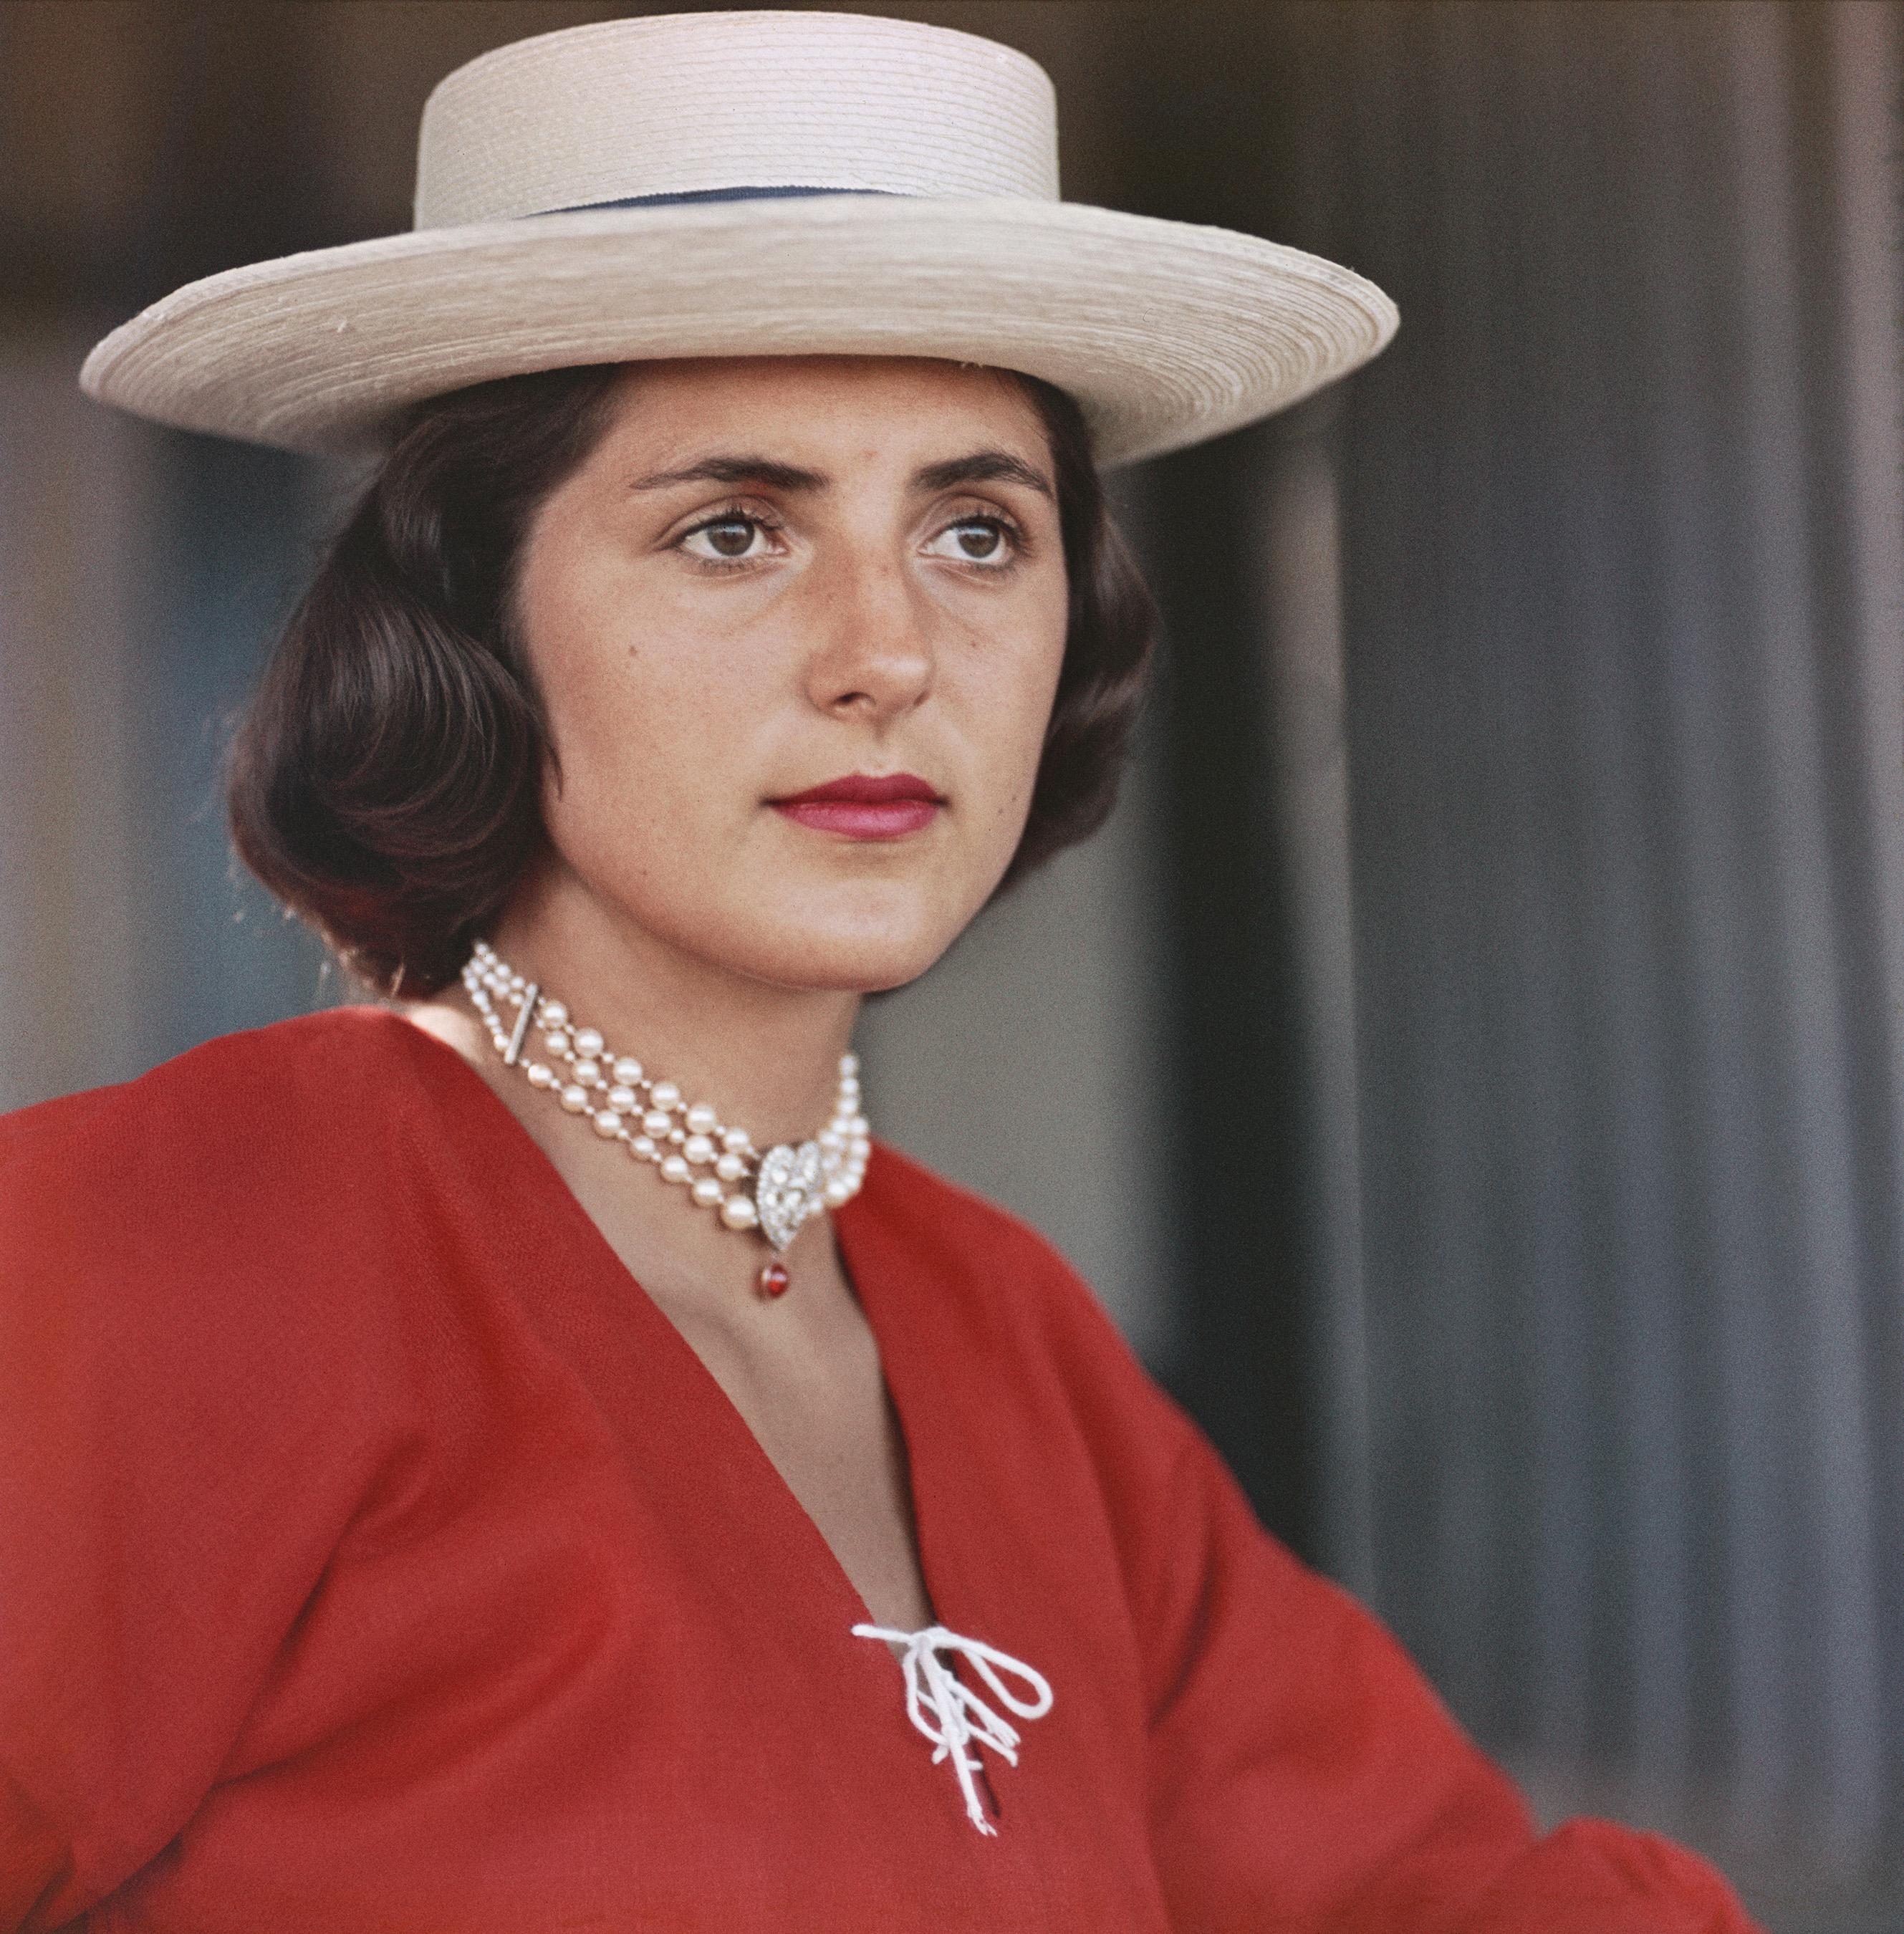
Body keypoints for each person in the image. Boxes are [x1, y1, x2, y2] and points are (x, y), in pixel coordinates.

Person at [1, 11, 1759, 1932]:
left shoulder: (1014, 1342)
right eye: (735, 529)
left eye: (977, 530)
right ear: (470, 622)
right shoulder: (157, 1253)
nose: (886, 651)